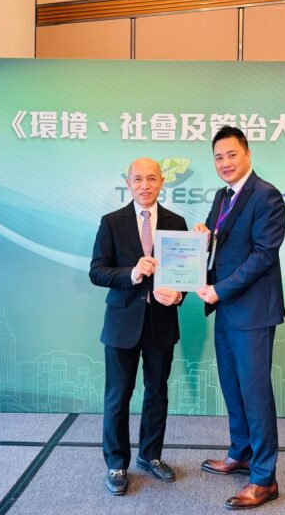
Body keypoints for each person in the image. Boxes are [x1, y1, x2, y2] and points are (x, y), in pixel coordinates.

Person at [194, 125, 285, 510]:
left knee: (255, 392)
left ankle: (264, 478)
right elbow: (220, 244)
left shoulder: (266, 196)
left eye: (231, 154)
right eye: (218, 157)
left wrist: (220, 289)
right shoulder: (222, 196)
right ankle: (241, 452)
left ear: (247, 153)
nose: (225, 163)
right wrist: (203, 237)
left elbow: (263, 255)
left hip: (252, 310)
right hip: (227, 308)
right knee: (232, 386)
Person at [90, 157, 187, 496]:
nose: (145, 185)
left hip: (161, 322)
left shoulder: (176, 222)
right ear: (128, 183)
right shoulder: (111, 222)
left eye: (152, 178)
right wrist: (131, 274)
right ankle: (117, 464)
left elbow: (185, 272)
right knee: (118, 395)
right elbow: (97, 271)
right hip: (122, 323)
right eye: (138, 179)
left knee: (157, 393)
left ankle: (151, 455)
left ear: (162, 182)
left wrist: (179, 295)